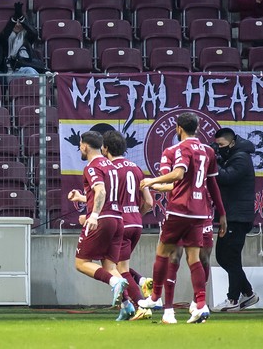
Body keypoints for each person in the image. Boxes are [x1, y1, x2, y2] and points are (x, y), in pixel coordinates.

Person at [139, 112, 228, 325]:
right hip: (201, 212)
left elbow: (178, 174)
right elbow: (212, 185)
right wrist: (222, 214)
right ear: (197, 128)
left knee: (164, 252)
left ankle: (154, 297)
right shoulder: (208, 151)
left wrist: (152, 181)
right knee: (194, 258)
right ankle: (200, 305)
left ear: (178, 128)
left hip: (179, 209)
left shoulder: (178, 149)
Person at [66, 131, 130, 310]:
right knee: (110, 266)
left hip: (102, 219)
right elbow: (103, 195)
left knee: (81, 263)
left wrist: (93, 215)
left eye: (80, 145)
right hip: (118, 219)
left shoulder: (92, 167)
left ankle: (114, 283)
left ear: (85, 146)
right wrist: (81, 197)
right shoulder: (111, 165)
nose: (80, 148)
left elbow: (101, 192)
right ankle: (128, 306)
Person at [102, 129, 153, 321]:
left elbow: (103, 197)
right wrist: (136, 216)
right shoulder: (137, 168)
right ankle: (141, 281)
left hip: (119, 223)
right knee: (115, 264)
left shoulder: (109, 170)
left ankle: (141, 305)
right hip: (136, 224)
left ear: (105, 148)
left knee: (116, 268)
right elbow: (148, 202)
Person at [210, 128, 260, 312]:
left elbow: (226, 177)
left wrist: (213, 162)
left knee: (229, 257)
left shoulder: (241, 158)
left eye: (221, 145)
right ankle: (248, 293)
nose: (219, 149)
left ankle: (232, 300)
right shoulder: (235, 155)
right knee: (225, 257)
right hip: (232, 215)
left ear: (231, 143)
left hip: (237, 217)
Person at [0, 2, 45, 76]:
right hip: (8, 71)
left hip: (24, 69)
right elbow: (4, 35)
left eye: (19, 22)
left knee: (30, 71)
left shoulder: (27, 38)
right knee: (30, 72)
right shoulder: (5, 37)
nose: (17, 24)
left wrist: (21, 18)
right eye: (15, 22)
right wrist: (13, 19)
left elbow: (34, 33)